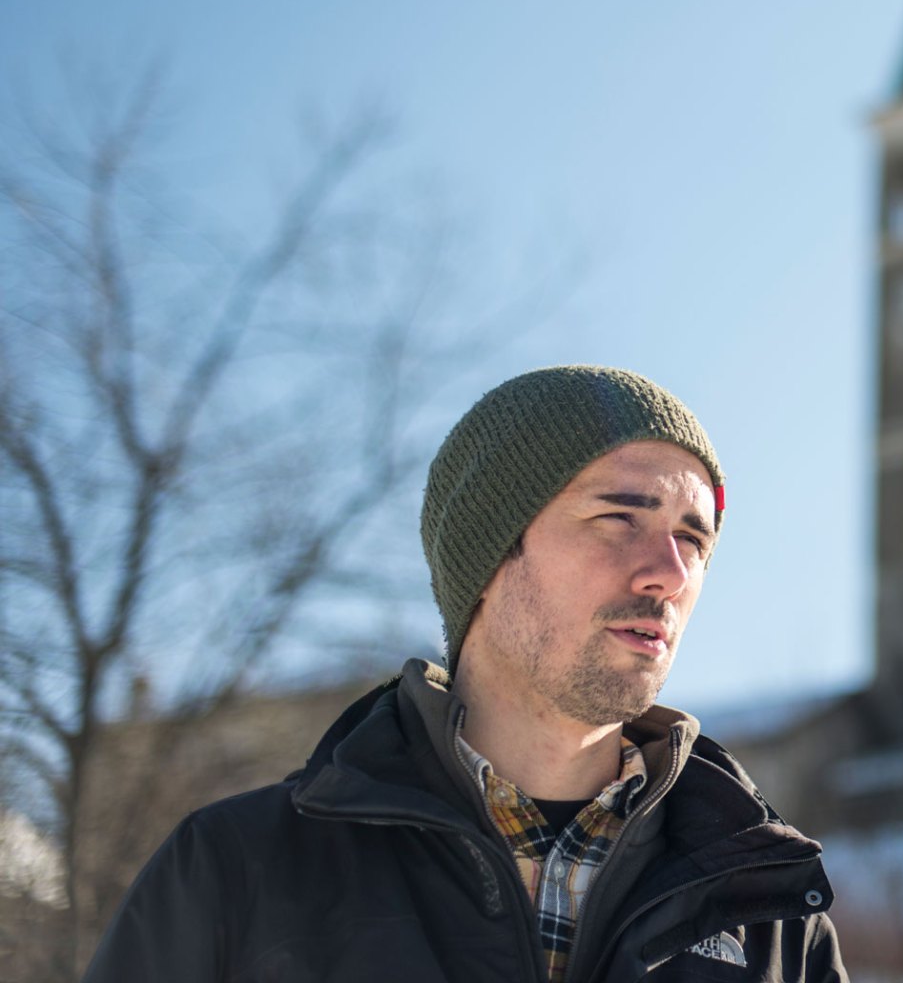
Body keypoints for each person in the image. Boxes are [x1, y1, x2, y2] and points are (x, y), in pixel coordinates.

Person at [86, 365, 846, 982]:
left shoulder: (771, 922)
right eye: (620, 517)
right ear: (488, 556)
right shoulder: (238, 871)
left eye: (694, 539)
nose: (669, 573)